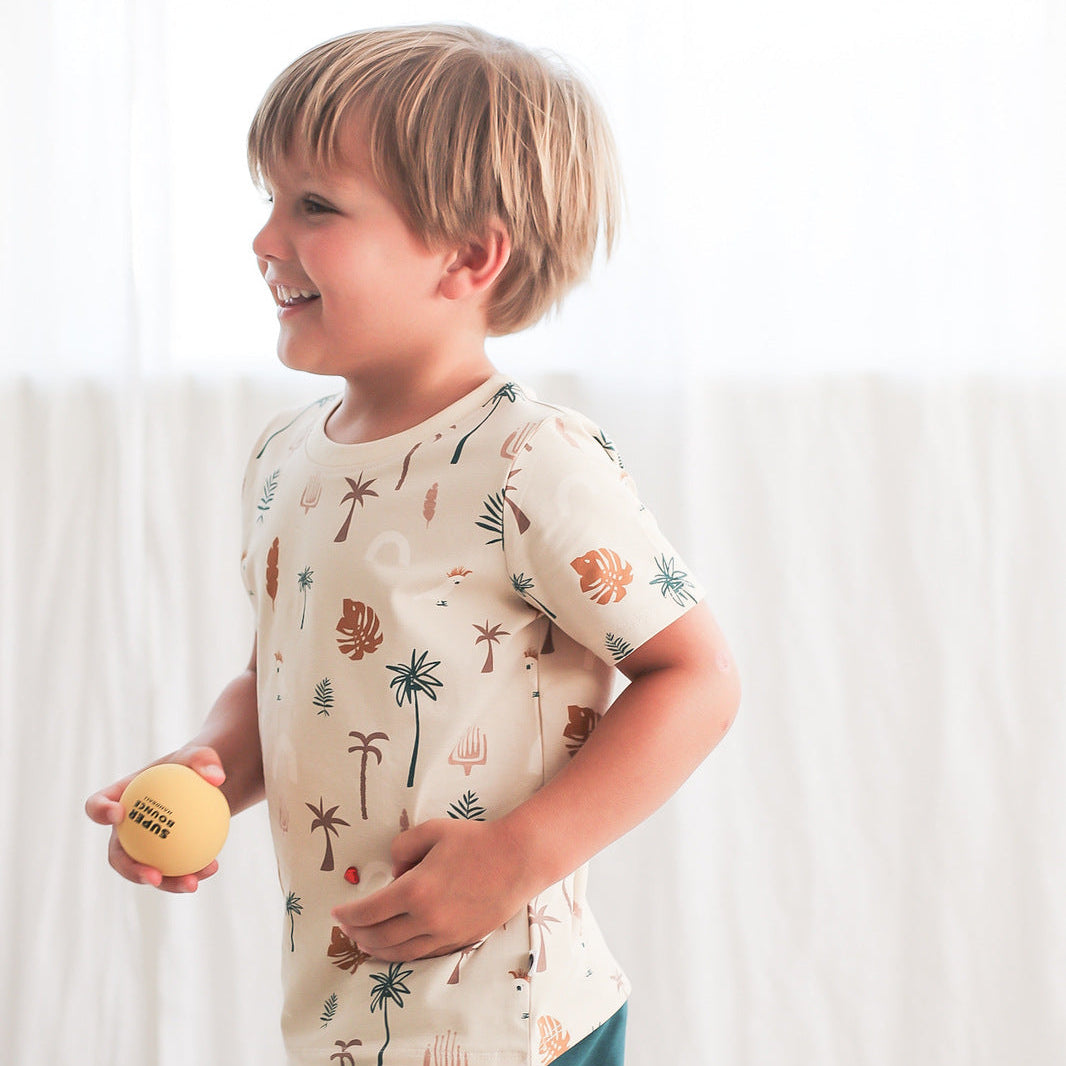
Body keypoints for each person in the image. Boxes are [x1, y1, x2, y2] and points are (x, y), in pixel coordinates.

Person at [86, 24, 740, 1066]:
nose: (265, 240)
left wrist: (515, 859)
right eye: (269, 199)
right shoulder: (285, 459)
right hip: (347, 1021)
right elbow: (284, 678)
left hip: (510, 1027)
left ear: (470, 256)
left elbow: (693, 676)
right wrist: (203, 769)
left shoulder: (531, 461)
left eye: (315, 206)